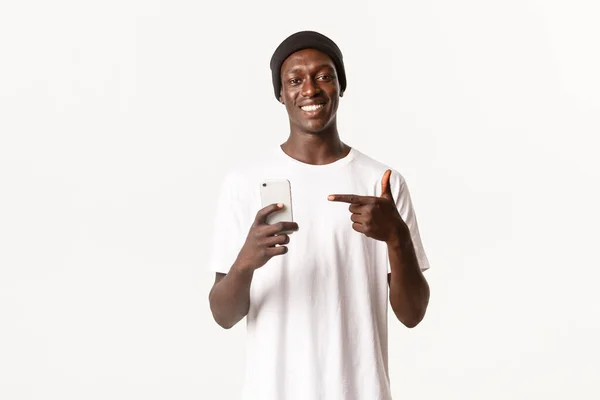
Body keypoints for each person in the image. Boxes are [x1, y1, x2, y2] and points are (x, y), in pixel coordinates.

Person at [208, 30, 431, 400]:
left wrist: (398, 238)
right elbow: (223, 315)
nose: (309, 89)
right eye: (294, 80)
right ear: (280, 94)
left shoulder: (381, 182)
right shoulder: (244, 183)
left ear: (340, 86)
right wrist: (245, 262)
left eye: (324, 76)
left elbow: (412, 314)